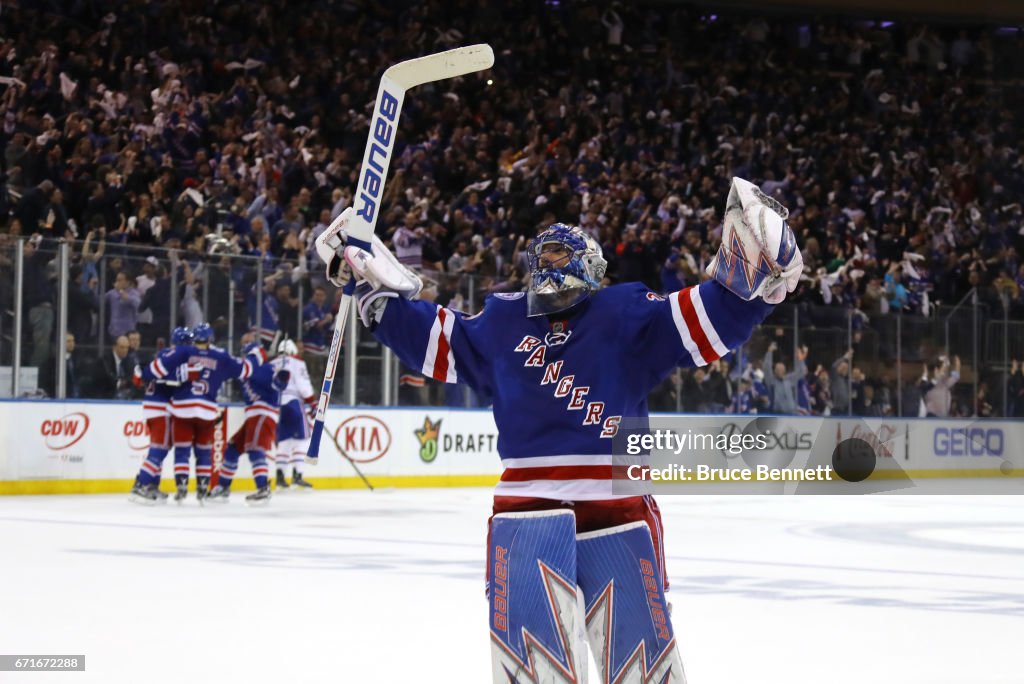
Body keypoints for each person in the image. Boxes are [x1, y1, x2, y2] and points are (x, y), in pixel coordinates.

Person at [315, 177, 802, 682]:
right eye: (542, 256)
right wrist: (378, 294)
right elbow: (437, 340)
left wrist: (756, 287)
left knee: (618, 665)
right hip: (564, 502)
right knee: (580, 664)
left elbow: (710, 320)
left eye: (558, 255)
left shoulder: (608, 313)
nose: (549, 265)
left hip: (583, 502)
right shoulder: (518, 318)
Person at [154, 323, 252, 502]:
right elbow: (245, 370)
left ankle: (182, 487)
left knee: (182, 451)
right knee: (204, 452)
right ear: (210, 338)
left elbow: (163, 371)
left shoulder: (184, 352)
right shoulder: (220, 356)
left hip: (182, 409)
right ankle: (202, 487)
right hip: (207, 411)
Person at [208, 337, 290, 504]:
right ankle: (223, 487)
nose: (245, 358)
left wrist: (281, 379)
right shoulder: (246, 371)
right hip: (253, 414)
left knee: (254, 448)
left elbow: (277, 384)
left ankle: (263, 489)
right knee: (232, 447)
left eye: (248, 355)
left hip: (264, 412)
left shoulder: (266, 368)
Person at [128, 327, 196, 504]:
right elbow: (174, 379)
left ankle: (151, 485)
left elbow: (140, 377)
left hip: (152, 407)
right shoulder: (176, 357)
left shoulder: (162, 355)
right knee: (159, 450)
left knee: (160, 448)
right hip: (161, 409)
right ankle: (141, 485)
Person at [271, 339, 317, 489]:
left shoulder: (272, 364)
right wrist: (313, 402)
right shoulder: (297, 362)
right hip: (293, 403)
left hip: (277, 406)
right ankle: (298, 475)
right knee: (302, 440)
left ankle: (280, 476)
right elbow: (304, 386)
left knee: (284, 441)